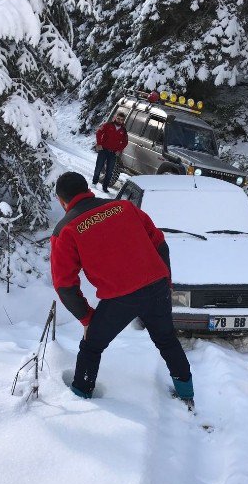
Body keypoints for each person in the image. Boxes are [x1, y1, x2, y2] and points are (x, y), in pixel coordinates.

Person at [50, 171, 194, 407]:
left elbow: (64, 284)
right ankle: (186, 393)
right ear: (87, 189)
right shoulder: (123, 207)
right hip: (156, 287)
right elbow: (159, 242)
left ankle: (80, 396)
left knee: (92, 346)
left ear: (61, 200)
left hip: (120, 298)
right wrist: (165, 280)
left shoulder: (65, 230)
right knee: (167, 339)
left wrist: (86, 318)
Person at [92, 111, 128, 193]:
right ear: (115, 118)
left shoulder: (123, 130)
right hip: (103, 150)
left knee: (109, 172)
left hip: (113, 153)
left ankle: (105, 187)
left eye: (121, 120)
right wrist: (99, 144)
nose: (119, 121)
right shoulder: (108, 125)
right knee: (98, 168)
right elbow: (98, 132)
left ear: (123, 121)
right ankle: (94, 182)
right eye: (118, 118)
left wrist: (119, 150)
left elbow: (125, 142)